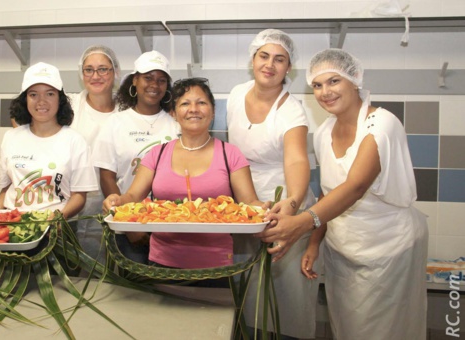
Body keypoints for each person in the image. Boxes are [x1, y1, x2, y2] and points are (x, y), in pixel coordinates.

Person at [261, 48, 428, 340]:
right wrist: (314, 244)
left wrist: (300, 224)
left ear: (355, 80)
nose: (325, 92)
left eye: (334, 81)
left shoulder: (382, 124)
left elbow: (355, 186)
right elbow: (330, 194)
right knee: (347, 328)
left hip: (389, 250)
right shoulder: (325, 133)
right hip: (343, 252)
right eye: (317, 85)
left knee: (386, 331)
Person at [103, 77, 266, 275]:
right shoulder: (157, 154)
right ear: (173, 113)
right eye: (185, 104)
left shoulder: (230, 154)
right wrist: (117, 200)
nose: (194, 109)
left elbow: (249, 202)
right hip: (162, 261)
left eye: (202, 103)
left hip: (217, 264)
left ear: (213, 111)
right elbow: (132, 198)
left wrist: (263, 211)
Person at [227, 29, 317, 339]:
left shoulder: (291, 110)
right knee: (246, 283)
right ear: (252, 59)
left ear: (288, 67)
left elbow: (295, 160)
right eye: (264, 56)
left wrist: (292, 202)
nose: (270, 64)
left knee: (286, 287)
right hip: (244, 202)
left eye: (280, 59)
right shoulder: (237, 94)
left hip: (282, 201)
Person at [93, 50, 179, 264]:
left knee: (169, 291)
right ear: (135, 81)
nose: (154, 85)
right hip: (127, 228)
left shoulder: (176, 125)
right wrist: (128, 223)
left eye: (161, 80)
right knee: (131, 293)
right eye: (148, 77)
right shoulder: (115, 124)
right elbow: (107, 177)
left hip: (169, 225)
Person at [0, 61, 98, 220]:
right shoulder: (11, 138)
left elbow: (79, 196)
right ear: (25, 99)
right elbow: (7, 189)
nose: (41, 101)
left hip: (57, 229)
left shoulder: (75, 141)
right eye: (33, 94)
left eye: (49, 93)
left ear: (60, 99)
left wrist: (57, 218)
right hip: (13, 225)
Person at [67, 45, 121, 261]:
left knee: (108, 274)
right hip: (71, 206)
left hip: (114, 202)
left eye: (103, 69)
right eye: (89, 70)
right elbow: (21, 114)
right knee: (73, 275)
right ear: (82, 74)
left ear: (115, 72)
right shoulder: (69, 105)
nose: (95, 76)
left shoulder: (126, 110)